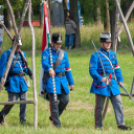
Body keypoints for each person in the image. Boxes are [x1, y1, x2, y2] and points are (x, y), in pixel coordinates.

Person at [89, 32, 132, 130]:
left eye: (109, 42)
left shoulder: (113, 54)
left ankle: (121, 124)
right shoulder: (95, 56)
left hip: (112, 83)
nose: (108, 44)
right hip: (101, 84)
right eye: (106, 42)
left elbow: (117, 68)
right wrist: (101, 79)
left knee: (118, 104)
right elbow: (92, 70)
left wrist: (120, 79)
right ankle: (98, 126)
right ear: (101, 43)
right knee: (99, 107)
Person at [41, 33, 74, 127]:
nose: (59, 45)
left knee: (65, 100)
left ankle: (53, 116)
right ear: (52, 43)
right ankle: (57, 124)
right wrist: (49, 69)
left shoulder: (64, 53)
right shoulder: (46, 53)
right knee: (54, 103)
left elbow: (68, 69)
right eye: (57, 43)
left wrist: (71, 82)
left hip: (62, 81)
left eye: (60, 43)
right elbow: (44, 63)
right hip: (51, 81)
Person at [0, 36, 33, 125]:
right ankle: (1, 115)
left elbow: (25, 67)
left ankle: (23, 120)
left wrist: (31, 73)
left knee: (24, 101)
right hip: (12, 81)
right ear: (12, 44)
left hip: (22, 81)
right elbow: (2, 70)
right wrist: (1, 82)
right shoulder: (6, 54)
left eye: (19, 46)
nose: (18, 47)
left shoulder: (23, 54)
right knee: (12, 101)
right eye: (17, 45)